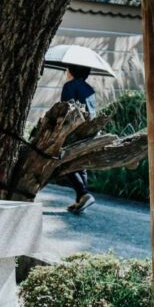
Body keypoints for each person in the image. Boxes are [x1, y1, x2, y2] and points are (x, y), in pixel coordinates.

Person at [61, 64, 97, 215]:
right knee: (80, 164)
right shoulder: (90, 89)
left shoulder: (69, 86)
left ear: (71, 71)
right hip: (89, 130)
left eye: (67, 69)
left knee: (65, 162)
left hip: (74, 130)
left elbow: (65, 109)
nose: (66, 72)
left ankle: (83, 194)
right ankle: (80, 201)